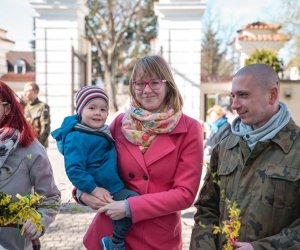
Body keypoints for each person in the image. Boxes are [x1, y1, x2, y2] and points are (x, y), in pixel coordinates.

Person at [73, 55, 203, 250]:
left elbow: (185, 194)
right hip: (109, 233)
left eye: (154, 82)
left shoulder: (190, 128)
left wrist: (129, 208)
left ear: (168, 85)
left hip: (156, 236)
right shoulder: (120, 123)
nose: (146, 90)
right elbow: (94, 165)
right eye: (139, 83)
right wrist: (82, 193)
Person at [190, 63, 300, 250]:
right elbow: (206, 210)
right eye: (233, 96)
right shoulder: (225, 147)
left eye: (243, 95)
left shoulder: (296, 149)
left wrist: (260, 248)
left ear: (272, 95)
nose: (234, 105)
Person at [51, 86, 138, 250]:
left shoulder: (99, 131)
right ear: (80, 110)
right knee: (134, 204)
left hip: (113, 184)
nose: (98, 112)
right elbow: (74, 170)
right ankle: (115, 243)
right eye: (92, 108)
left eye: (103, 109)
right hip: (106, 188)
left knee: (132, 206)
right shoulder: (77, 137)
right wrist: (93, 189)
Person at [0, 80, 61, 250]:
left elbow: (51, 197)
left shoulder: (31, 150)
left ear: (7, 108)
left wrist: (37, 220)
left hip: (12, 243)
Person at [24, 82, 51, 148]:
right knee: (29, 158)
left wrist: (40, 144)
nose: (25, 93)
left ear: (35, 92)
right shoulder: (26, 108)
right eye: (24, 91)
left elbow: (45, 127)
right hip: (28, 144)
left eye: (27, 91)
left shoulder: (43, 106)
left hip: (39, 144)